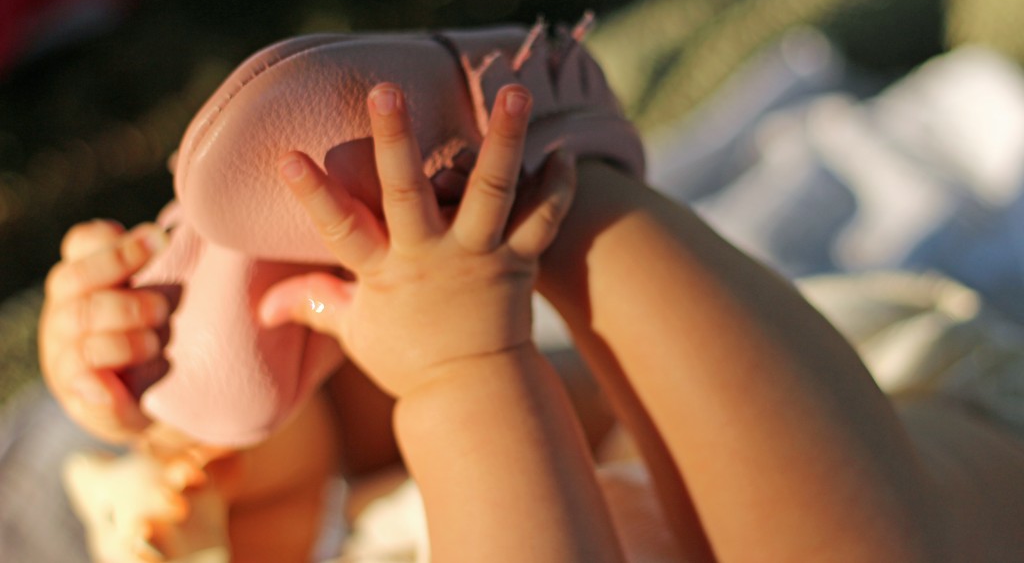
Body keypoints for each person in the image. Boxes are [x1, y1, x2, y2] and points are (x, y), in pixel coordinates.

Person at [41, 80, 1024, 562]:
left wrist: (150, 356)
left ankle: (481, 201)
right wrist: (460, 371)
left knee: (343, 368)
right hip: (901, 492)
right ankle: (567, 188)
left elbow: (299, 488)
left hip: (780, 403)